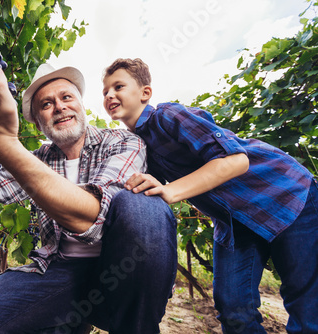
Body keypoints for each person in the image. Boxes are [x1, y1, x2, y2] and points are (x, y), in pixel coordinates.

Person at [0, 33, 177, 334]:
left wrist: (6, 145)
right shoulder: (38, 160)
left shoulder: (122, 141)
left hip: (122, 272)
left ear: (82, 105)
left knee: (143, 204)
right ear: (38, 123)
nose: (59, 107)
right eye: (46, 104)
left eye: (67, 97)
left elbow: (92, 217)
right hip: (60, 272)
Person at [101, 57, 318, 333]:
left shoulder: (167, 115)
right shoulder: (139, 145)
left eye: (118, 86)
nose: (109, 95)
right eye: (105, 91)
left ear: (145, 93)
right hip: (233, 221)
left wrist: (170, 190)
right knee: (234, 311)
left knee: (306, 308)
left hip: (285, 193)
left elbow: (236, 161)